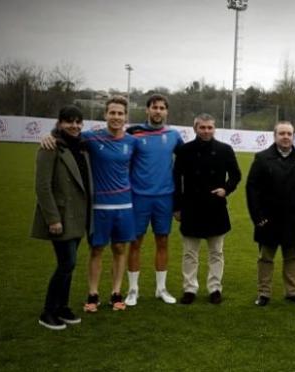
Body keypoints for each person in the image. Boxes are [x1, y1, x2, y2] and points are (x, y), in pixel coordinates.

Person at [41, 96, 137, 312]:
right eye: (112, 113)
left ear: (126, 117)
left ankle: (116, 292)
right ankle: (93, 294)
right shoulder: (91, 139)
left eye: (120, 113)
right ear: (105, 115)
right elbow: (67, 134)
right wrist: (49, 135)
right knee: (96, 249)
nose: (116, 117)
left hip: (124, 205)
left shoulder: (132, 141)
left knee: (120, 248)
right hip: (99, 206)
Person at [32, 105, 91, 330]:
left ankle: (62, 308)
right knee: (67, 263)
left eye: (78, 122)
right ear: (59, 123)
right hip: (61, 217)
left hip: (79, 215)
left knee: (68, 264)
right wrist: (52, 219)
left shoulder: (83, 146)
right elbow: (42, 187)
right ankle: (48, 311)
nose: (74, 126)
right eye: (69, 122)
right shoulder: (50, 147)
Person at [173, 113, 241, 305]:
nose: (206, 131)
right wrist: (177, 207)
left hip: (215, 207)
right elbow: (176, 180)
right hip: (191, 207)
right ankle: (189, 289)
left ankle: (215, 288)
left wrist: (226, 189)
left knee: (216, 252)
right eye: (202, 127)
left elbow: (236, 175)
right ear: (195, 128)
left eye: (209, 127)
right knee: (189, 253)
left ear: (214, 128)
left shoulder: (225, 150)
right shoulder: (184, 151)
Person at [246, 121, 295, 306]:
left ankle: (292, 292)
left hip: (294, 218)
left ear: (294, 136)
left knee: (292, 257)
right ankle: (264, 294)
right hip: (267, 219)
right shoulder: (261, 158)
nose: (285, 137)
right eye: (282, 133)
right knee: (266, 258)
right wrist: (257, 217)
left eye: (289, 134)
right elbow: (251, 189)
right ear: (274, 136)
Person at [124, 94, 184, 306]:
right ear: (147, 110)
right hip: (138, 197)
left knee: (163, 241)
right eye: (154, 107)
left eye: (162, 108)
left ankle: (161, 288)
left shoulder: (174, 135)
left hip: (165, 198)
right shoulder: (132, 133)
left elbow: (188, 161)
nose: (158, 111)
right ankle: (133, 290)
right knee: (135, 243)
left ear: (166, 112)